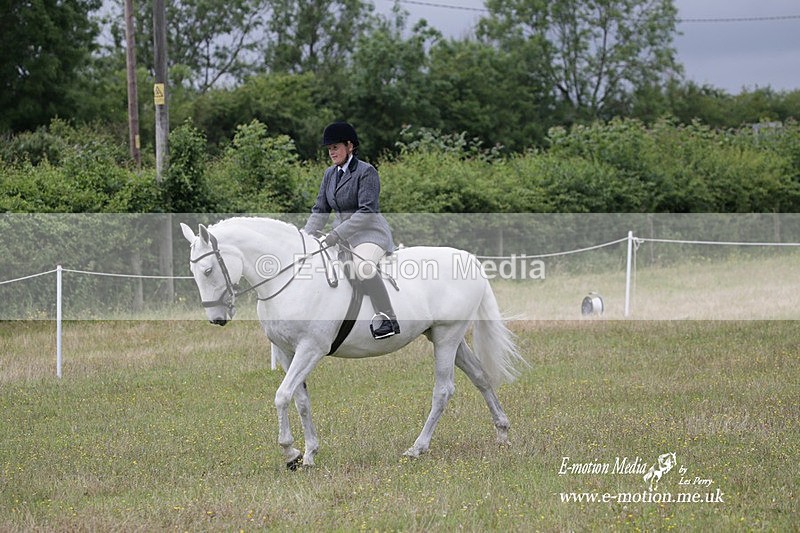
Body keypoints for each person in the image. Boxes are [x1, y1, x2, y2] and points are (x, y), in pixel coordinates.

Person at [303, 121, 400, 339]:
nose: (331, 152)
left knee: (363, 266)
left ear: (350, 146)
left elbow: (367, 211)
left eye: (335, 147)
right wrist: (304, 236)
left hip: (370, 234)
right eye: (329, 149)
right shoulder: (330, 174)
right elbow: (320, 209)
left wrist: (336, 234)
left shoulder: (367, 172)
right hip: (343, 237)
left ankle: (388, 318)